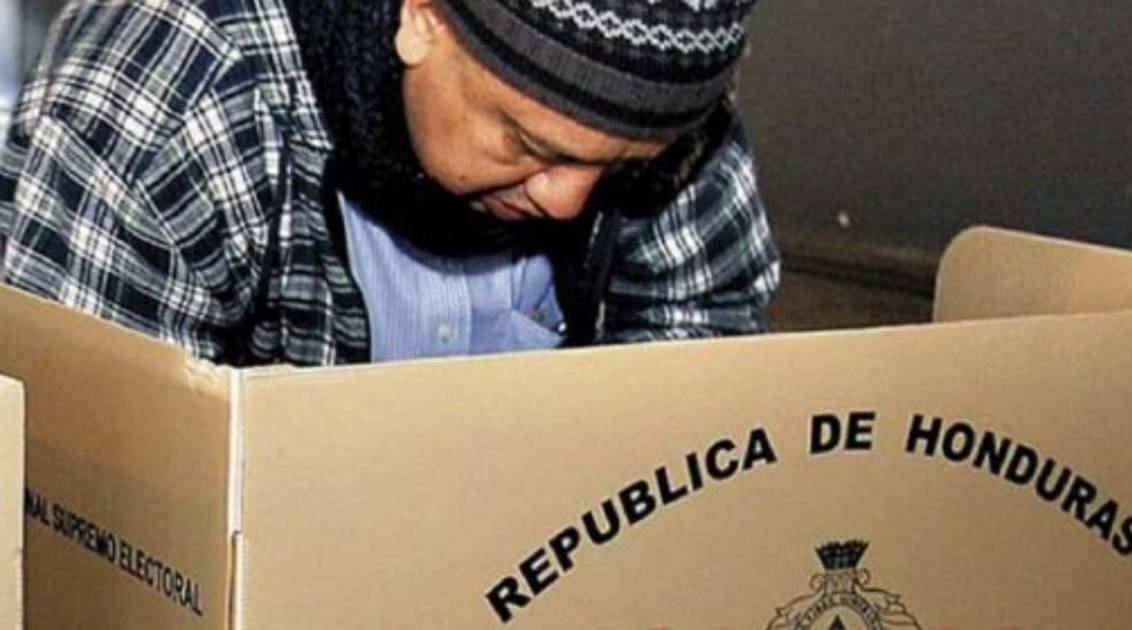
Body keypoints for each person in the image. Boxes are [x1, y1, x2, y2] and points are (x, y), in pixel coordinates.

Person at [0, 0, 779, 366]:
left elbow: (695, 370)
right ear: (422, 19)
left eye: (619, 168)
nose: (567, 200)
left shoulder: (663, 123)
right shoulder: (170, 92)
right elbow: (93, 475)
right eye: (525, 142)